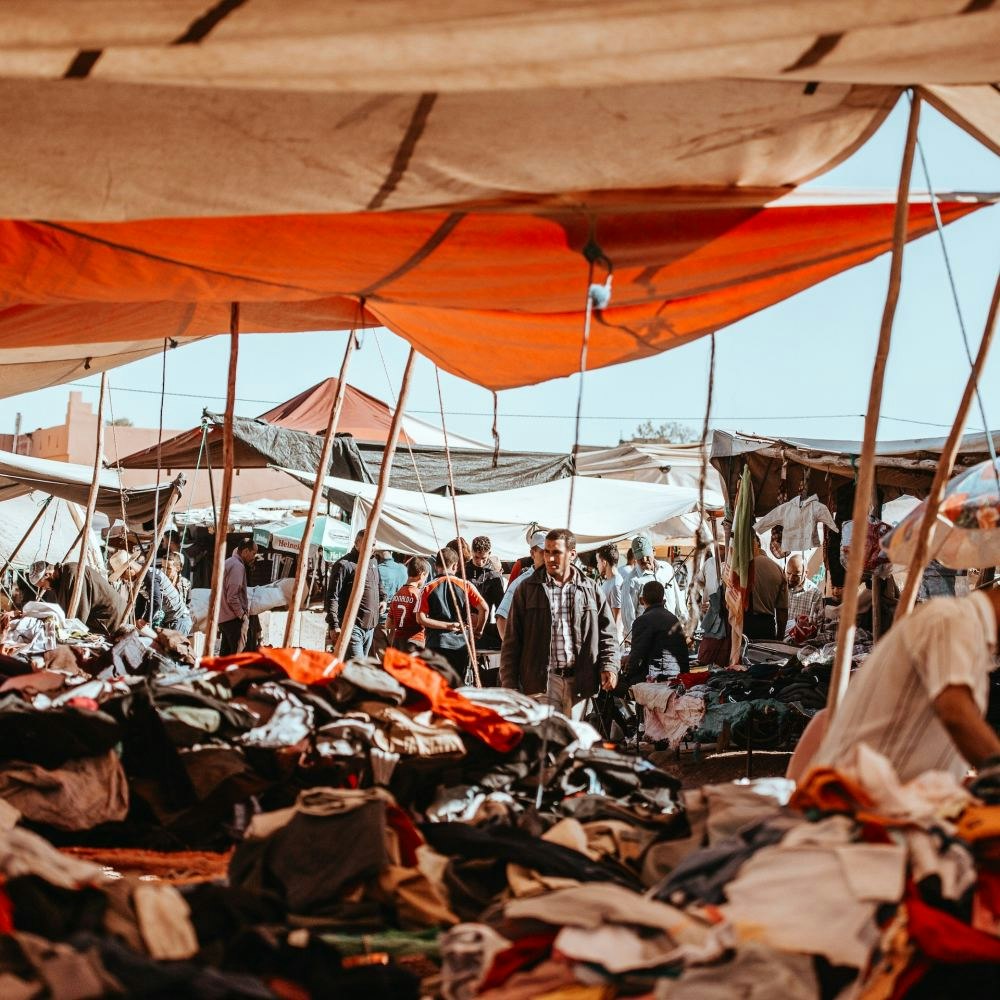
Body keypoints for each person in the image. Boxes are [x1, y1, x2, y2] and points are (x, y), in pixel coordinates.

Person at [813, 588, 1000, 785]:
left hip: (897, 803)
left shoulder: (974, 640)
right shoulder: (953, 619)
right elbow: (956, 713)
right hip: (856, 800)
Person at [500, 528, 619, 716]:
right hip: (542, 682)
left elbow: (608, 634)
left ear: (572, 554)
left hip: (581, 681)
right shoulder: (527, 588)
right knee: (549, 739)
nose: (550, 558)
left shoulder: (590, 588)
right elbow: (511, 641)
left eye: (556, 552)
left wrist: (609, 666)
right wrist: (509, 684)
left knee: (574, 741)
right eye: (547, 552)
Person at [417, 547, 487, 674]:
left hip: (435, 643)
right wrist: (479, 631)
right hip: (460, 644)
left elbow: (420, 619)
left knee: (436, 687)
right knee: (458, 685)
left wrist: (447, 626)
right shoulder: (466, 585)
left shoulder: (427, 588)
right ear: (455, 566)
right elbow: (484, 608)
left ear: (435, 566)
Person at [325, 530, 385, 659]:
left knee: (355, 668)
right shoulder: (344, 565)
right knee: (358, 668)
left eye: (373, 544)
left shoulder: (373, 561)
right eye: (367, 544)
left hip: (370, 626)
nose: (371, 548)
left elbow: (379, 584)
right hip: (352, 627)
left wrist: (383, 599)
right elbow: (332, 596)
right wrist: (333, 624)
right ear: (357, 543)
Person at [28, 559, 126, 635]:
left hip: (110, 618)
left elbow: (79, 612)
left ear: (47, 575)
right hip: (100, 617)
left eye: (42, 586)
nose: (44, 589)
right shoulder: (62, 578)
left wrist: (68, 631)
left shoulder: (73, 573)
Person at [111, 551, 192, 635]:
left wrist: (144, 620)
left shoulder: (150, 575)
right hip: (169, 620)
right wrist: (137, 620)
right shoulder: (138, 582)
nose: (123, 578)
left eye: (123, 574)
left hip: (179, 619)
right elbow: (140, 603)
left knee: (173, 646)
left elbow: (156, 601)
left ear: (130, 568)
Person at [625, 580, 690, 684]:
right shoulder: (673, 618)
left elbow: (636, 658)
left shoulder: (642, 621)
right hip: (680, 675)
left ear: (642, 600)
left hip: (658, 679)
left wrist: (626, 674)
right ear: (663, 601)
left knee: (616, 683)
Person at [622, 535, 686, 640]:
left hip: (672, 633)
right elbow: (628, 618)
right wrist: (637, 641)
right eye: (639, 557)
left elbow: (678, 600)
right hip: (649, 638)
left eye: (646, 555)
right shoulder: (631, 581)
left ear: (653, 551)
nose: (644, 559)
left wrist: (684, 625)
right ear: (634, 556)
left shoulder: (667, 569)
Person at [495, 530, 546, 639]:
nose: (549, 557)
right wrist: (510, 650)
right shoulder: (521, 582)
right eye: (543, 552)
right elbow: (502, 617)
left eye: (552, 552)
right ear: (533, 553)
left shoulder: (559, 580)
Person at [464, 535, 506, 650]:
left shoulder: (494, 577)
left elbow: (500, 607)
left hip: (483, 627)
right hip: (462, 625)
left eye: (483, 558)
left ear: (489, 553)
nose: (480, 562)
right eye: (476, 557)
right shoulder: (462, 571)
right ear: (472, 552)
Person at [743, 535, 788, 641]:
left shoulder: (741, 567)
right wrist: (779, 639)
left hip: (744, 624)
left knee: (742, 656)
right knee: (764, 656)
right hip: (767, 627)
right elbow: (782, 611)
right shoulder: (778, 569)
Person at [218, 538, 257, 655]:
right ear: (245, 551)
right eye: (253, 553)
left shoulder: (228, 562)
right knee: (238, 659)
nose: (254, 556)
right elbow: (232, 597)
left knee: (225, 659)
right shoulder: (237, 566)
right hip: (234, 620)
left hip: (224, 619)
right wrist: (242, 616)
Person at [387, 557, 429, 652]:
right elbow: (423, 620)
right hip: (415, 641)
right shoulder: (419, 595)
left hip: (397, 642)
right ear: (422, 575)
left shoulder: (397, 594)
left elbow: (388, 624)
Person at [784, 553, 823, 641]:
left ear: (805, 573)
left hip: (800, 642)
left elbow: (818, 624)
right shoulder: (781, 586)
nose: (790, 578)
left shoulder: (814, 593)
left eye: (796, 575)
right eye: (788, 573)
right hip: (778, 639)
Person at [596, 542, 624, 639]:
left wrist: (612, 641)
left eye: (598, 562)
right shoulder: (608, 582)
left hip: (612, 640)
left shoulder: (616, 584)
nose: (597, 565)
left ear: (604, 562)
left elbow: (618, 617)